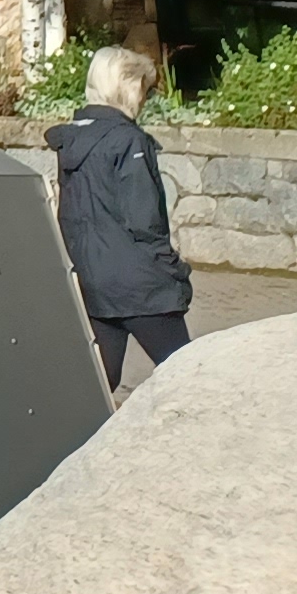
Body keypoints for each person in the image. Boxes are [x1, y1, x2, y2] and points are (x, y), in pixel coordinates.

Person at [49, 43, 193, 390]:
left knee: (98, 386)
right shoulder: (129, 141)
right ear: (128, 86)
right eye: (145, 89)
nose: (145, 98)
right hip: (140, 284)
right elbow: (145, 220)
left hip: (93, 279)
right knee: (189, 376)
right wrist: (173, 271)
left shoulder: (73, 142)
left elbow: (69, 215)